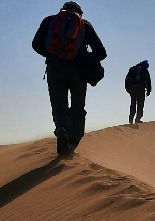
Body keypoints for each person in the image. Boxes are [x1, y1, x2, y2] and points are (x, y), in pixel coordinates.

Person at [32, 2, 107, 155]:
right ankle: (72, 142)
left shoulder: (49, 21)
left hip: (54, 69)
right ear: (80, 13)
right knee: (77, 109)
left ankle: (62, 130)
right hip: (78, 72)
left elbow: (35, 44)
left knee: (59, 106)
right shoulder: (84, 25)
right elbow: (101, 52)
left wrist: (52, 54)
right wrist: (83, 57)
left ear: (62, 10)